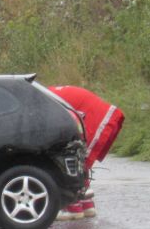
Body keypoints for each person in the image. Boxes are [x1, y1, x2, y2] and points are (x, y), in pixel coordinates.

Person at [49, 86, 125, 220]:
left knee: (72, 162)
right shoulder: (46, 92)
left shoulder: (40, 99)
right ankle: (87, 205)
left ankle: (73, 207)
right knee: (81, 163)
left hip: (95, 119)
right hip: (104, 116)